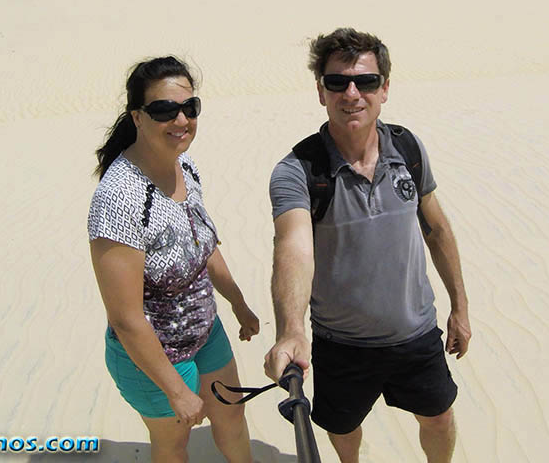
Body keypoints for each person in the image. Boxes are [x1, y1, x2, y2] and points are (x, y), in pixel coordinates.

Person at [265, 28, 471, 463]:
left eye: (367, 81)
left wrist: (460, 306)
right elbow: (294, 247)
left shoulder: (409, 148)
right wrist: (291, 328)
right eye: (337, 82)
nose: (352, 93)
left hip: (416, 335)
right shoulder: (298, 170)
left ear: (386, 88)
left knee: (439, 418)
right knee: (344, 430)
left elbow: (435, 228)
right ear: (321, 92)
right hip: (341, 345)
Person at [89, 56, 261, 463]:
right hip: (154, 358)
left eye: (190, 107)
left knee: (233, 420)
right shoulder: (118, 199)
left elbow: (202, 243)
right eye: (165, 110)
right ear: (138, 117)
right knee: (172, 446)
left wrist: (237, 302)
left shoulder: (185, 164)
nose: (181, 119)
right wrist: (176, 390)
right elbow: (126, 318)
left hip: (206, 333)